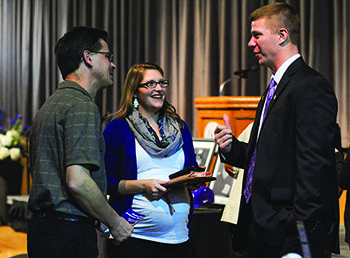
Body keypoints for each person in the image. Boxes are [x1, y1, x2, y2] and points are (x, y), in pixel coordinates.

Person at [214, 3, 339, 258]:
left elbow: (314, 166)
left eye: (257, 35)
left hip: (287, 236)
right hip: (259, 230)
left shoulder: (310, 86)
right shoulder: (274, 87)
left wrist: (296, 226)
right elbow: (267, 156)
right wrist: (232, 148)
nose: (250, 43)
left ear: (282, 36)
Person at [27, 26, 133, 258]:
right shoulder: (81, 105)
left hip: (46, 230)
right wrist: (115, 222)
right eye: (108, 57)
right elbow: (77, 181)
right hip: (68, 235)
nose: (112, 64)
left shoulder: (53, 103)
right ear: (88, 57)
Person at [103, 62, 198, 258]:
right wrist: (141, 186)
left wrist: (194, 178)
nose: (158, 89)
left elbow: (190, 169)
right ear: (134, 91)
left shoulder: (179, 127)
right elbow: (105, 182)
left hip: (180, 237)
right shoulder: (118, 128)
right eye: (150, 84)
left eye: (162, 83)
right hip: (135, 238)